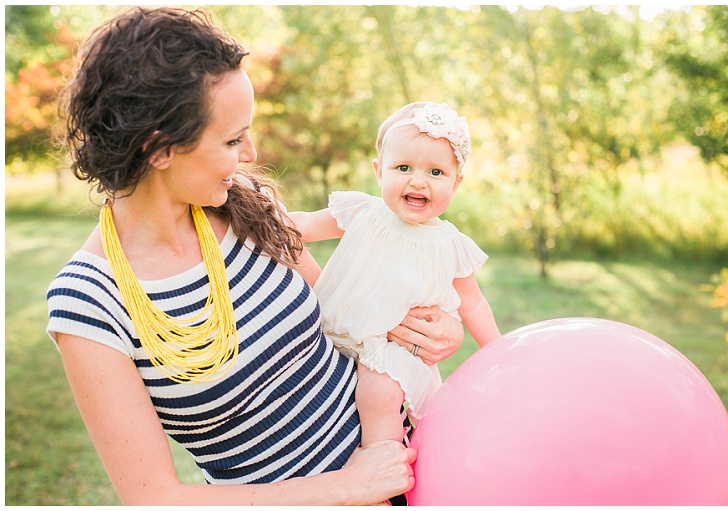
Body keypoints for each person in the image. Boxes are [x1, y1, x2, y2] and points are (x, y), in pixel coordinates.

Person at [45, 7, 465, 504]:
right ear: (158, 148)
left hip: (413, 462)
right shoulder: (88, 302)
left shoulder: (244, 206)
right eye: (230, 138)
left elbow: (349, 317)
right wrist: (351, 486)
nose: (250, 151)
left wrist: (436, 330)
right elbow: (155, 498)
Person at [290, 101, 502, 447]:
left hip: (393, 349)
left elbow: (473, 303)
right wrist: (260, 214)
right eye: (403, 167)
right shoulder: (363, 212)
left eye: (436, 173)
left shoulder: (450, 244)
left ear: (457, 183)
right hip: (334, 333)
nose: (418, 182)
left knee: (380, 397)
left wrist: (497, 349)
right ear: (379, 172)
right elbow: (304, 225)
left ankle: (383, 457)